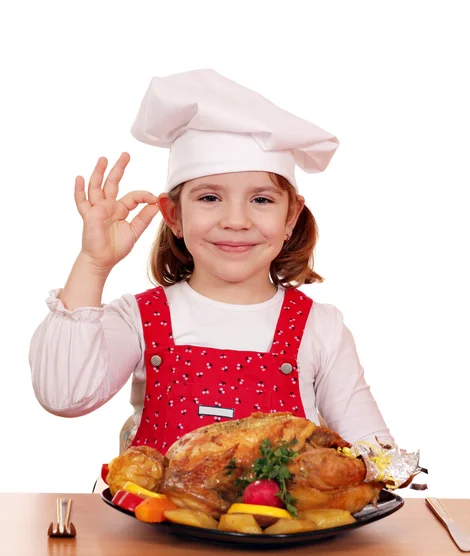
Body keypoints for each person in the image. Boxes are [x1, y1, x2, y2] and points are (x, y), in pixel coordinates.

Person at [30, 69, 392, 462]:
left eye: (261, 200)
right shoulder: (138, 318)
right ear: (173, 215)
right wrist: (93, 263)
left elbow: (374, 457)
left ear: (291, 218)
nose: (235, 221)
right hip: (153, 523)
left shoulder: (321, 329)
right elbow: (63, 395)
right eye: (209, 198)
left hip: (280, 524)